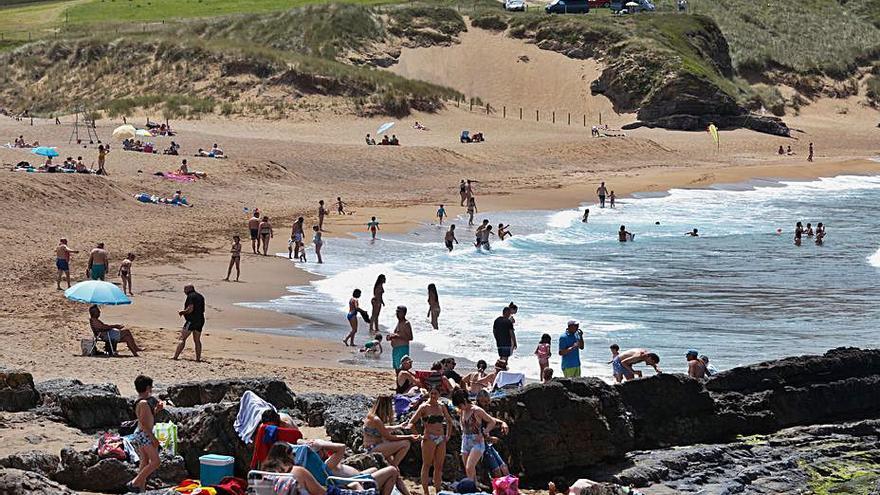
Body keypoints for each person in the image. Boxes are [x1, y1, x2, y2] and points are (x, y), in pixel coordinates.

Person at [262, 442, 403, 495]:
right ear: (286, 457)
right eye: (293, 455)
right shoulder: (297, 471)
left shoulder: (261, 476)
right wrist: (352, 489)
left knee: (372, 470)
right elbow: (323, 492)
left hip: (341, 481)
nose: (294, 457)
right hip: (338, 484)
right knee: (390, 472)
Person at [451, 389, 508, 481]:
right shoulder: (462, 411)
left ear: (465, 401)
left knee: (470, 466)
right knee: (468, 469)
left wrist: (484, 433)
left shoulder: (476, 410)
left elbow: (491, 421)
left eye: (459, 405)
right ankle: (473, 487)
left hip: (477, 441)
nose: (458, 407)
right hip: (465, 440)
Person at [407, 387, 455, 495]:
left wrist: (448, 435)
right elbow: (411, 423)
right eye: (431, 393)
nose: (433, 395)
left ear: (439, 394)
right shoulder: (424, 407)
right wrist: (418, 436)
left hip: (441, 438)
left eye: (436, 393)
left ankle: (438, 490)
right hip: (429, 438)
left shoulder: (441, 406)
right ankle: (426, 492)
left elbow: (449, 421)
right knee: (427, 465)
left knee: (439, 466)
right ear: (429, 393)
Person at [127, 375, 162, 493]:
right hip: (144, 434)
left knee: (144, 462)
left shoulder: (142, 402)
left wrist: (156, 410)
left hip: (141, 433)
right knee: (156, 462)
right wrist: (153, 438)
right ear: (148, 388)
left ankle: (141, 489)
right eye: (151, 387)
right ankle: (134, 483)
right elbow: (143, 422)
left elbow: (147, 418)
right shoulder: (143, 403)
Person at [362, 396, 419, 466]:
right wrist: (409, 437)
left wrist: (399, 426)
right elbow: (389, 437)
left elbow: (382, 429)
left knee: (389, 451)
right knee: (406, 443)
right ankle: (394, 467)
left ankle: (393, 468)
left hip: (370, 447)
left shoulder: (371, 415)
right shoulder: (377, 420)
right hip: (372, 449)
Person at [173, 285, 205, 362]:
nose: (184, 291)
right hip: (200, 319)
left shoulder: (190, 296)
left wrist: (183, 312)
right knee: (197, 340)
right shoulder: (200, 296)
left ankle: (175, 357)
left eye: (185, 289)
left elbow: (190, 308)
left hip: (191, 320)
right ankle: (198, 358)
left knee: (182, 338)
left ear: (188, 289)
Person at [389, 306, 413, 371]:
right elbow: (398, 334)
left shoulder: (406, 323)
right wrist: (391, 337)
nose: (397, 314)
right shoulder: (399, 323)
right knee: (396, 368)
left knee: (402, 368)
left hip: (402, 348)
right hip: (396, 349)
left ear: (404, 313)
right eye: (397, 312)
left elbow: (410, 337)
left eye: (399, 312)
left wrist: (397, 336)